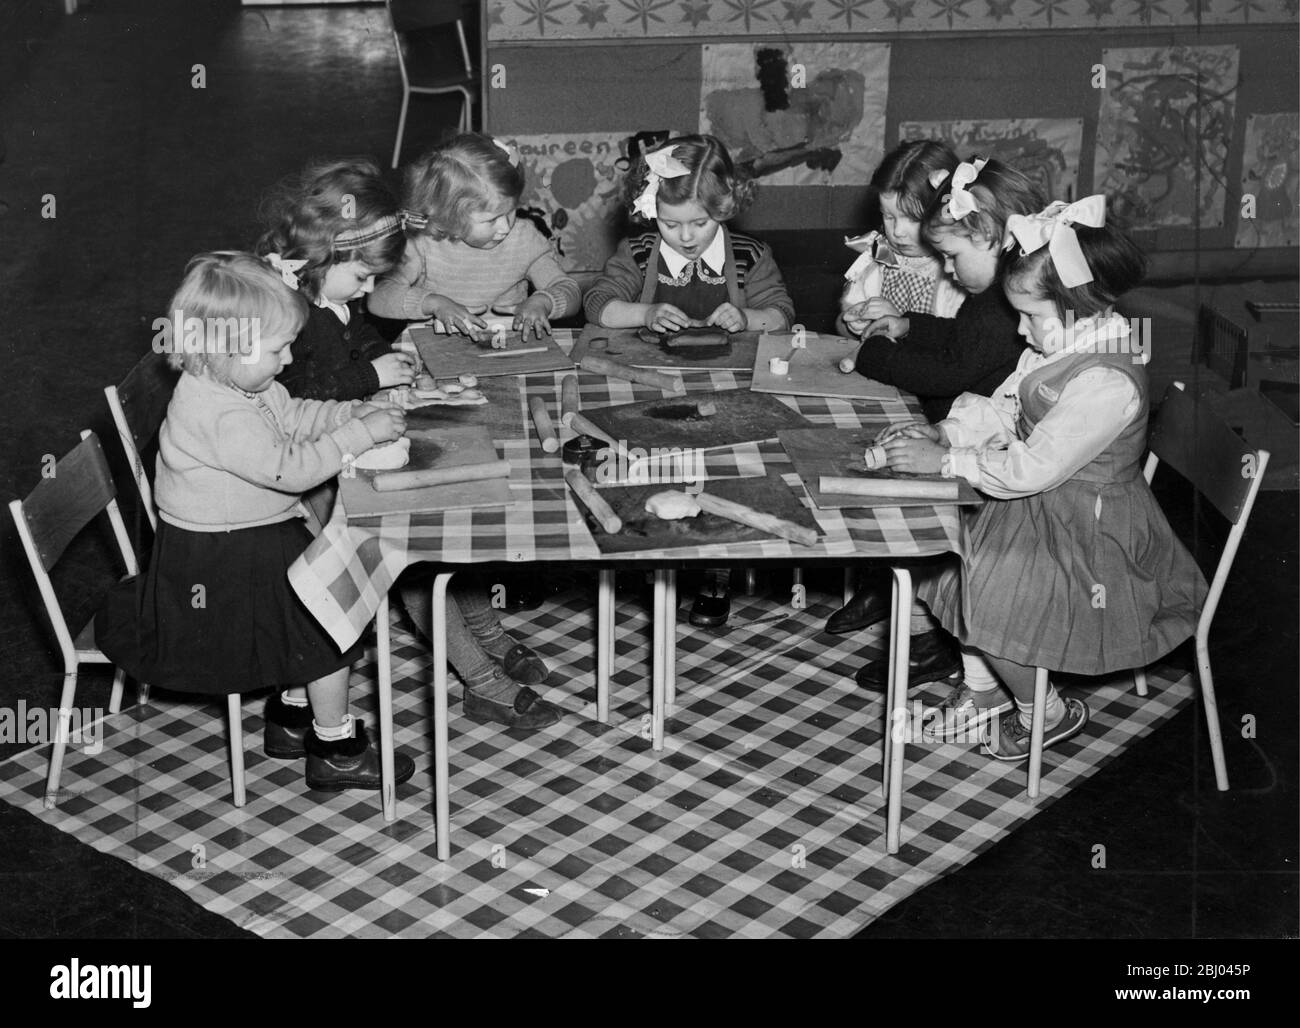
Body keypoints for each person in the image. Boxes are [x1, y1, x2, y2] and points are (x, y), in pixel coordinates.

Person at [882, 197, 1206, 756]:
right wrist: (949, 433)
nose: (1023, 332)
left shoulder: (1106, 381)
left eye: (1033, 317)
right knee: (947, 553)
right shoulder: (1059, 344)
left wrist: (945, 463)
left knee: (991, 592)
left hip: (1093, 533)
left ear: (1082, 310)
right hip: (1040, 503)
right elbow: (1009, 409)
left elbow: (1033, 467)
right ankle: (985, 690)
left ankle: (1043, 711)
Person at [256, 159, 561, 733]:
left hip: (352, 442)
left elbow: (362, 334)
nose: (370, 289)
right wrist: (372, 378)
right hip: (313, 477)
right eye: (364, 277)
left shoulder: (331, 296)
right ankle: (482, 683)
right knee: (408, 558)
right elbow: (301, 394)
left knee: (440, 531)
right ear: (325, 254)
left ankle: (489, 636)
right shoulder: (291, 312)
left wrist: (395, 365)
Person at [95, 252, 416, 790]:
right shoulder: (217, 412)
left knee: (312, 587)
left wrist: (347, 414)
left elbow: (292, 415)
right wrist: (355, 438)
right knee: (327, 625)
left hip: (249, 535)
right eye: (278, 348)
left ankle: (292, 716)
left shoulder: (244, 382)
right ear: (226, 347)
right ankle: (333, 746)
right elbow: (288, 469)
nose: (289, 359)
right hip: (216, 565)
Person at [839, 157, 1043, 692]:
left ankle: (931, 640)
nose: (947, 268)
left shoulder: (1003, 306)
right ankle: (891, 595)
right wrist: (909, 324)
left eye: (952, 256)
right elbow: (955, 340)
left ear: (992, 239)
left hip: (993, 453)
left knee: (910, 492)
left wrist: (874, 355)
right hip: (971, 426)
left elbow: (946, 371)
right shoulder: (992, 295)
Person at [584, 134, 795, 627]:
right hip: (653, 390)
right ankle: (657, 562)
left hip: (732, 395)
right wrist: (647, 309)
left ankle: (714, 570)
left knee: (725, 479)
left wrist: (749, 319)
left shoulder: (748, 255)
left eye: (699, 223)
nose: (684, 236)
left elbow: (782, 313)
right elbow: (598, 305)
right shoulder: (638, 253)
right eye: (670, 223)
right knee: (653, 471)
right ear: (648, 210)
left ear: (725, 207)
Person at [369, 133, 580, 340]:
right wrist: (432, 303)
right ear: (449, 217)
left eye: (511, 211)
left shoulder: (524, 239)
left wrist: (544, 302)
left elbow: (569, 289)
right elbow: (379, 296)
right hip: (436, 351)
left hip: (510, 350)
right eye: (491, 220)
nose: (505, 227)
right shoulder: (423, 243)